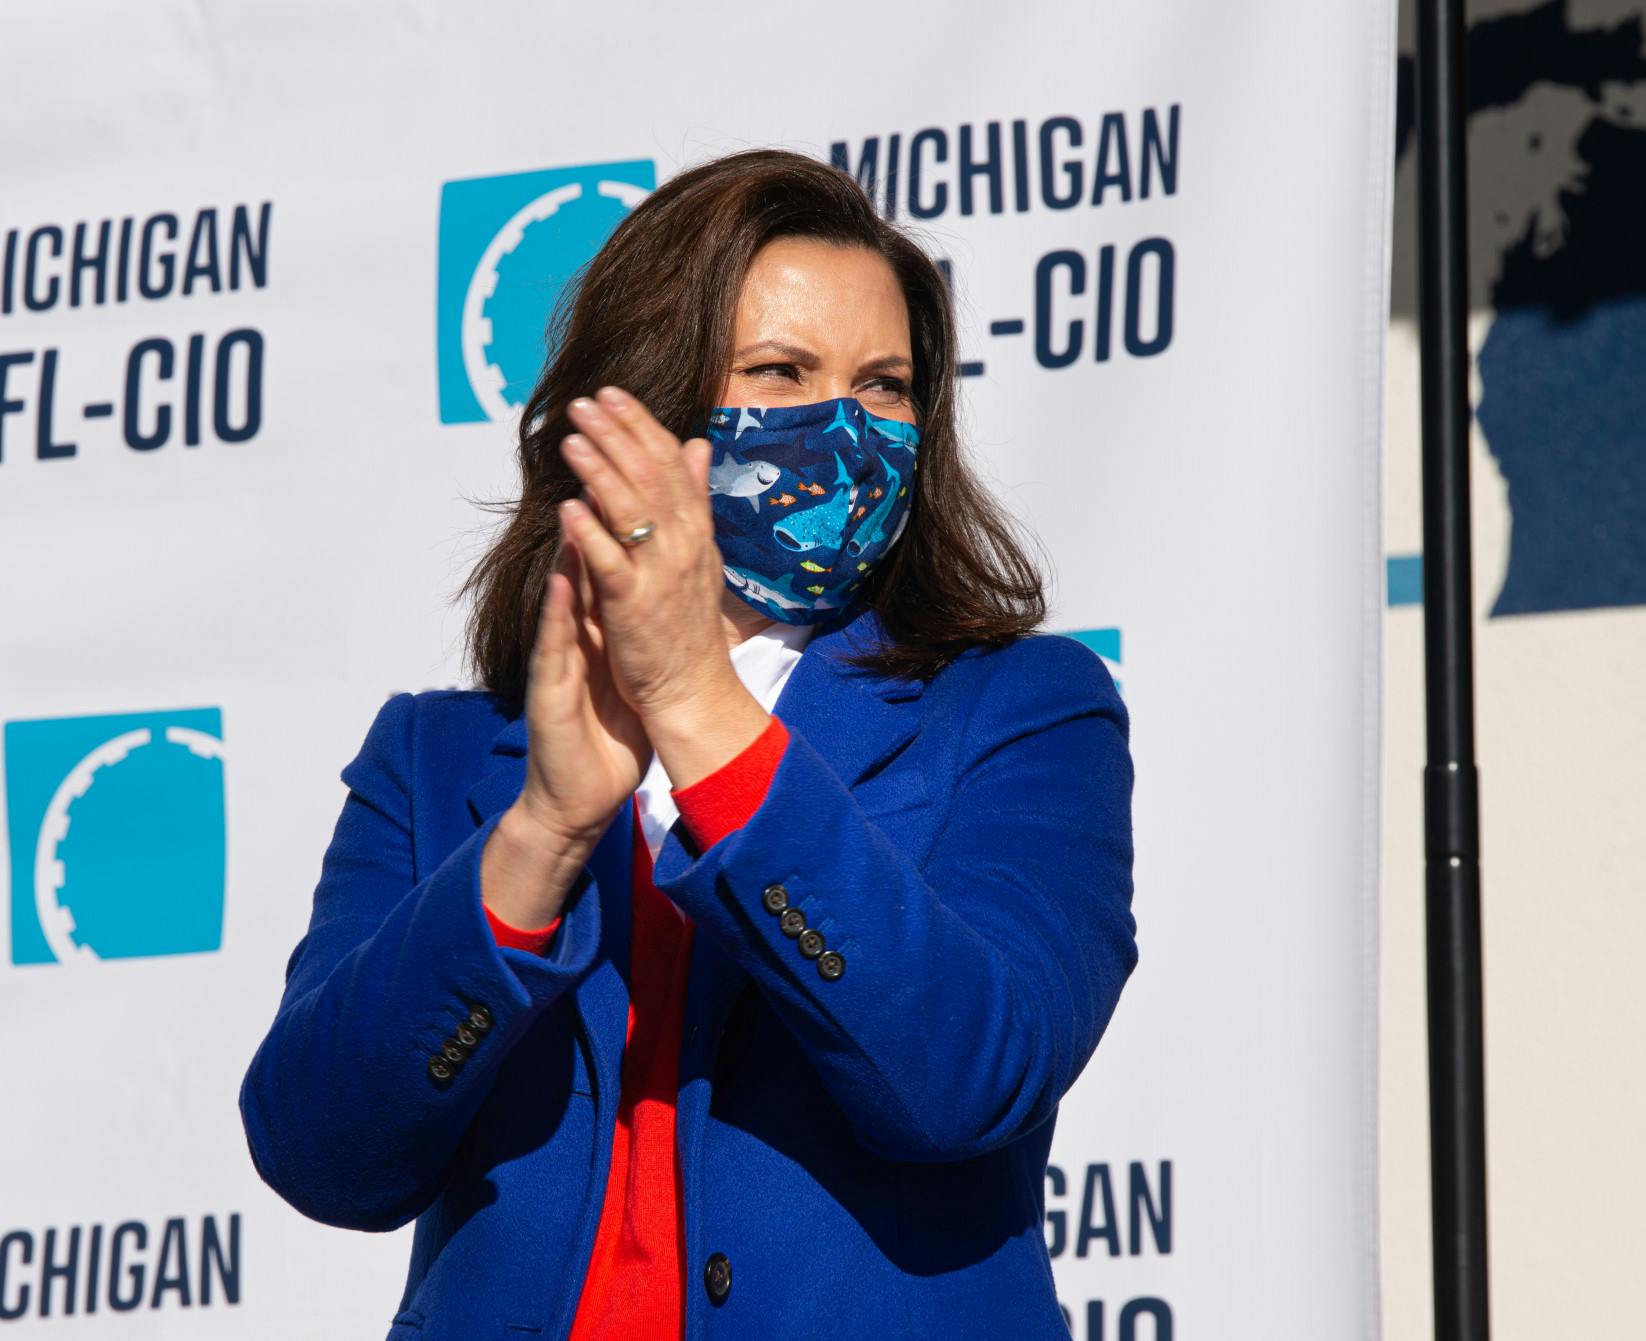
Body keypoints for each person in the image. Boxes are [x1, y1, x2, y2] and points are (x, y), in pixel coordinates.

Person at [237, 148, 1137, 1340]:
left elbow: (968, 1079)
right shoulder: (437, 757)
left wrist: (702, 713)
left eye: (884, 385)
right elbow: (321, 1153)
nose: (847, 424)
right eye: (780, 372)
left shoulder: (1024, 711)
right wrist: (542, 835)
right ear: (643, 414)